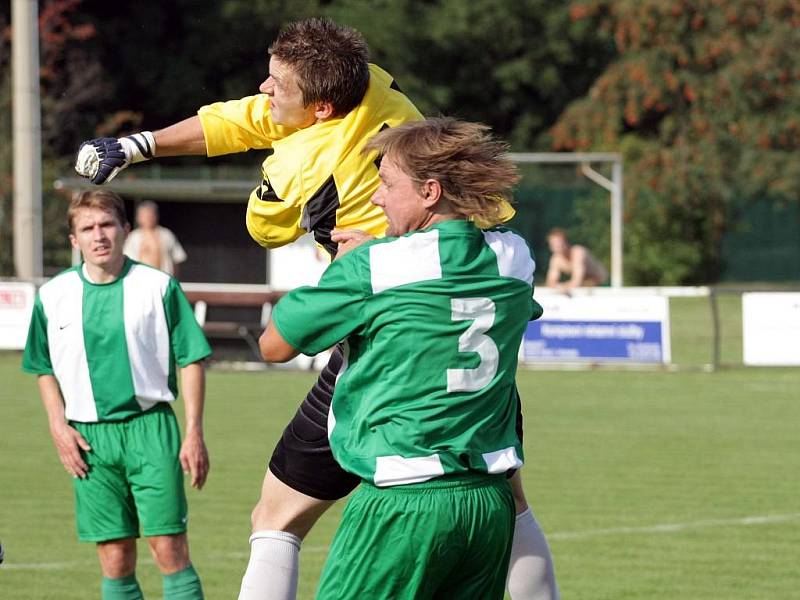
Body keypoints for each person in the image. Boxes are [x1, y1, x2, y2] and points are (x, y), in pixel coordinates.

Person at [74, 18, 557, 600]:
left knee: (276, 519)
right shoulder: (377, 88)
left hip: (384, 363)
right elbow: (253, 117)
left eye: (278, 83)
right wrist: (139, 145)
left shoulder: (304, 175)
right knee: (510, 500)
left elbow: (268, 241)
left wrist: (351, 240)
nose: (263, 89)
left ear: (323, 108)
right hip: (469, 363)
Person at [257, 117, 540, 598]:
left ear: (430, 191)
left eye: (386, 183)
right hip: (487, 506)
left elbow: (274, 345)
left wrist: (349, 268)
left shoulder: (375, 268)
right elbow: (449, 285)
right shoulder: (515, 258)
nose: (375, 198)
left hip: (402, 504)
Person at [22, 190, 211, 600]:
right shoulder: (52, 296)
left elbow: (191, 358)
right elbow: (42, 367)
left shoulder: (158, 287)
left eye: (107, 224)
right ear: (74, 240)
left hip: (150, 429)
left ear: (125, 229)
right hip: (88, 439)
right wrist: (58, 426)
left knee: (169, 549)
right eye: (87, 228)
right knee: (114, 557)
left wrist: (193, 431)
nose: (99, 235)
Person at [123, 201, 187, 277]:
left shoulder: (167, 235)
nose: (148, 218)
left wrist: (173, 280)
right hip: (139, 280)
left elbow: (177, 259)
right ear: (138, 217)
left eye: (151, 215)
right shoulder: (133, 237)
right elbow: (126, 260)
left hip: (164, 279)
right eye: (145, 215)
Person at [545, 227, 608, 293]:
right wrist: (558, 287)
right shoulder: (556, 259)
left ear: (566, 242)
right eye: (554, 244)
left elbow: (577, 280)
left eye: (559, 243)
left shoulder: (578, 252)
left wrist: (563, 287)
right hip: (588, 287)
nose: (558, 246)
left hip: (604, 285)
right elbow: (551, 282)